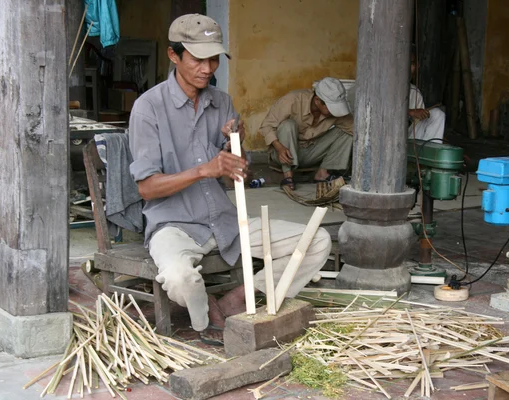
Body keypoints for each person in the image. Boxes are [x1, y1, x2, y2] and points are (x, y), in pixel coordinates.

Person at [128, 14, 331, 344]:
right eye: (198, 58)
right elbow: (146, 187)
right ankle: (203, 318)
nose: (207, 68)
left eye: (213, 59)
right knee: (180, 279)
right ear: (173, 55)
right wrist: (204, 169)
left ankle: (235, 299)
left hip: (224, 221)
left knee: (317, 239)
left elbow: (243, 174)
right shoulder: (148, 108)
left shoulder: (221, 102)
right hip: (173, 224)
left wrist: (234, 144)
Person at [259, 77, 354, 190]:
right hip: (284, 154)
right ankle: (288, 176)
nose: (334, 112)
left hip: (312, 153)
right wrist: (279, 148)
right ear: (317, 101)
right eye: (331, 107)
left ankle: (322, 174)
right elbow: (266, 126)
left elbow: (355, 130)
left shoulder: (333, 114)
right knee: (288, 125)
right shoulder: (292, 100)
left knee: (346, 133)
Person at [408, 51, 446, 142]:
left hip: (407, 139)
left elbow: (417, 123)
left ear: (417, 66)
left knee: (438, 114)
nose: (407, 68)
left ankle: (430, 153)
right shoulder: (382, 88)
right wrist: (410, 112)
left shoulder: (415, 93)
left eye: (411, 64)